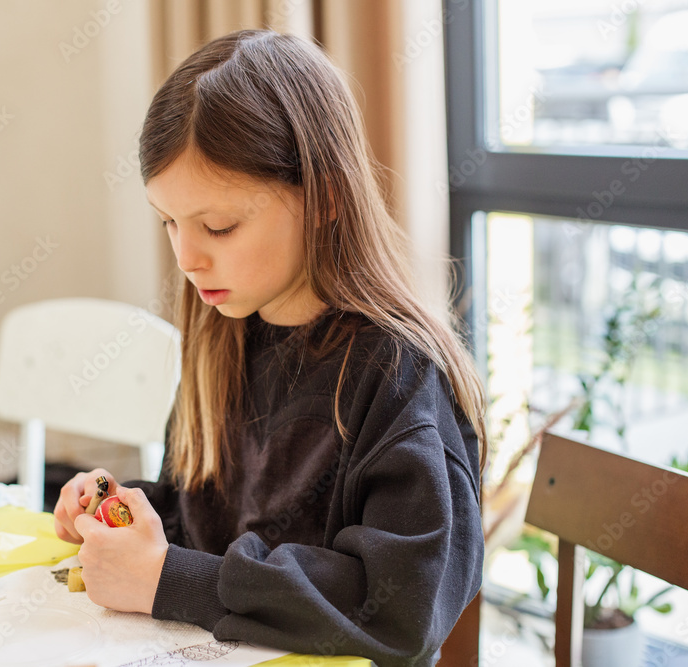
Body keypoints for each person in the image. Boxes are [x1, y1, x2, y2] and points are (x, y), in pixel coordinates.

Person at [54, 29, 487, 666]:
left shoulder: (397, 375)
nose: (186, 257)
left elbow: (402, 607)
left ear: (325, 198)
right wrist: (122, 515)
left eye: (219, 226)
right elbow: (210, 519)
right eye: (168, 221)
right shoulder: (225, 331)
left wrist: (170, 578)